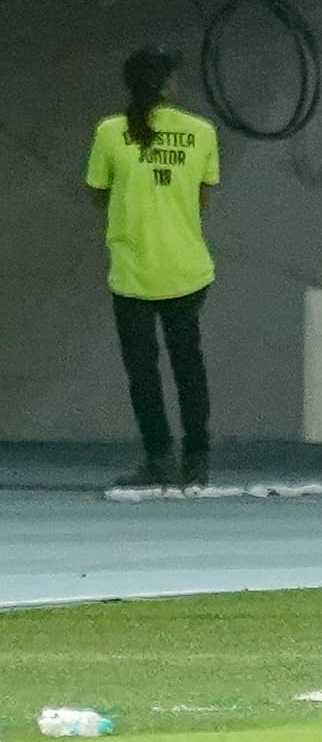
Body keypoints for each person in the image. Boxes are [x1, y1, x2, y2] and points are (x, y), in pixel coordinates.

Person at [85, 49, 219, 492]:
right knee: (189, 366)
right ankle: (196, 461)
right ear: (166, 86)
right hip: (186, 269)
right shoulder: (201, 132)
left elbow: (98, 193)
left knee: (143, 373)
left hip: (132, 271)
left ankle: (158, 458)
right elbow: (202, 197)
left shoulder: (109, 132)